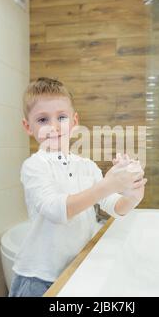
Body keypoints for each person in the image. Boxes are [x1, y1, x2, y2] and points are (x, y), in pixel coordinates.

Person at [8, 77, 147, 297]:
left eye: (61, 117)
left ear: (74, 122)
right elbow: (57, 210)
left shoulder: (87, 166)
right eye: (43, 119)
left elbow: (113, 206)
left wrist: (131, 194)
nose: (53, 127)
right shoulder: (35, 166)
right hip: (38, 279)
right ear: (28, 126)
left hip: (74, 270)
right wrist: (108, 184)